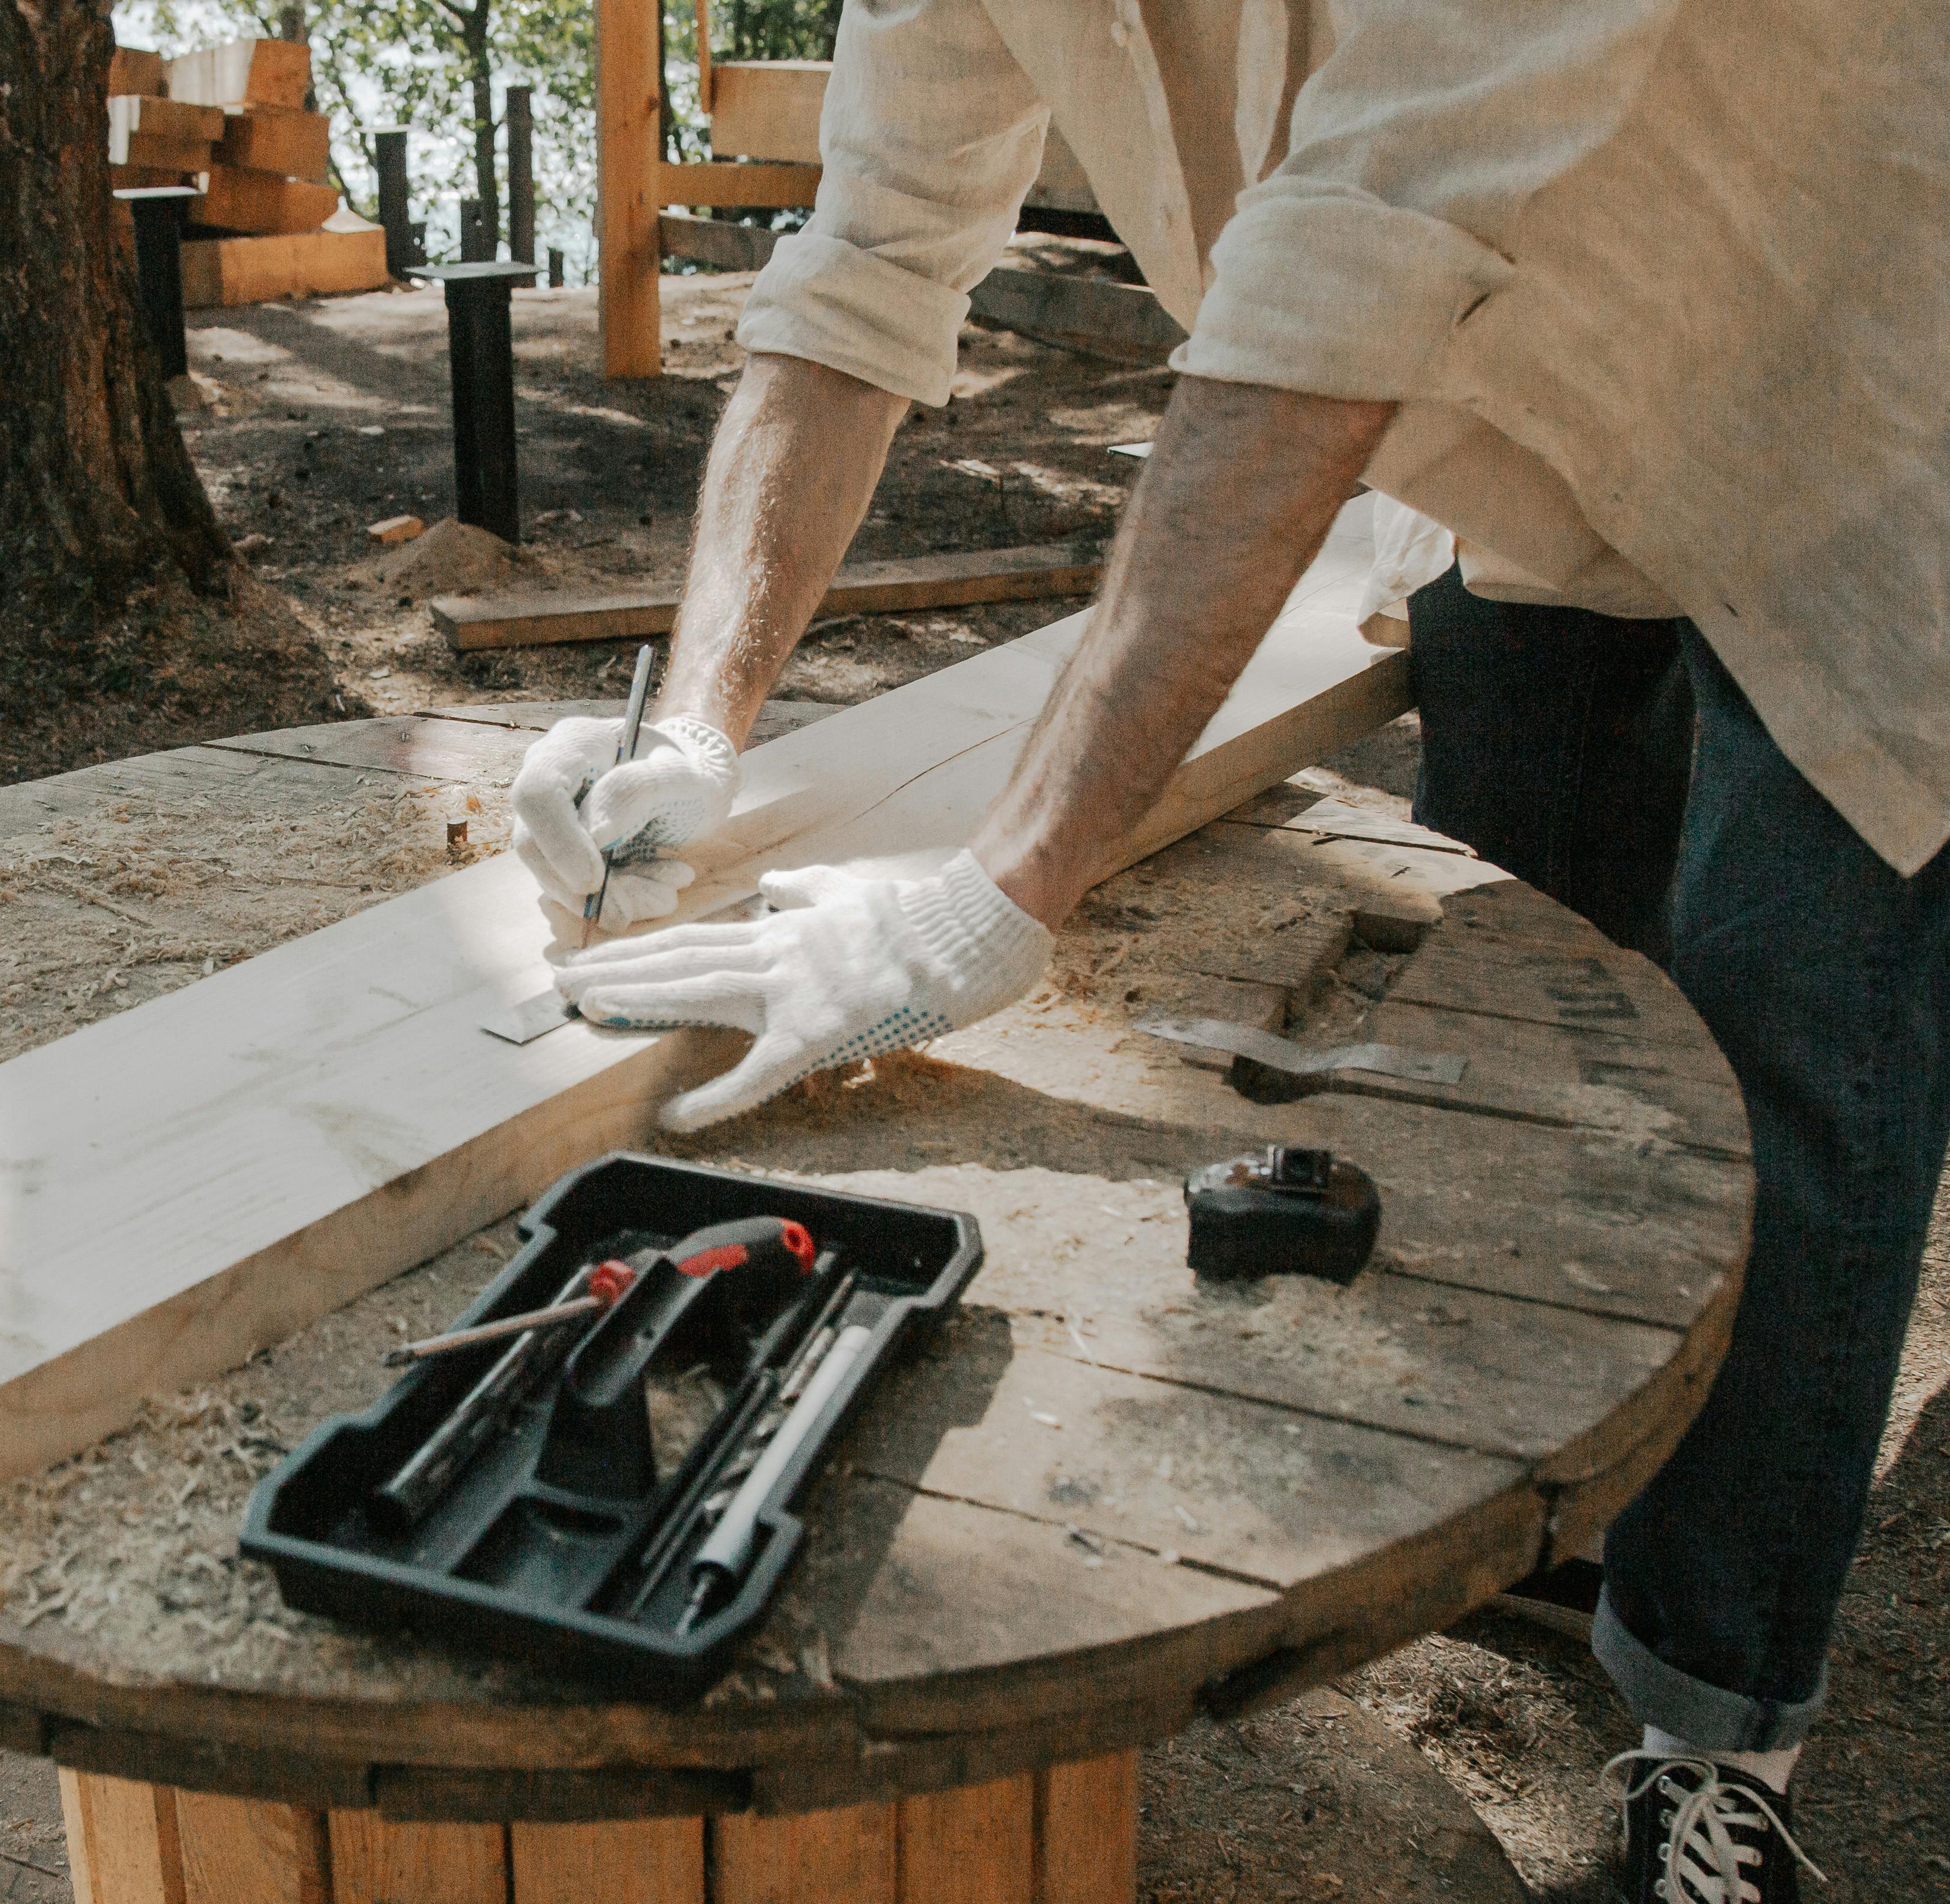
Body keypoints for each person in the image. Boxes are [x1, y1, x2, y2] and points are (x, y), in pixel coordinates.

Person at [508, 2, 1949, 1897]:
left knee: (1794, 1023)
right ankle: (1579, 1510)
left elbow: (1352, 241)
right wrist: (697, 719)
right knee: (1543, 983)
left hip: (1858, 370)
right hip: (1522, 403)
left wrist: (987, 897)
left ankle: (1714, 1727)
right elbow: (859, 269)